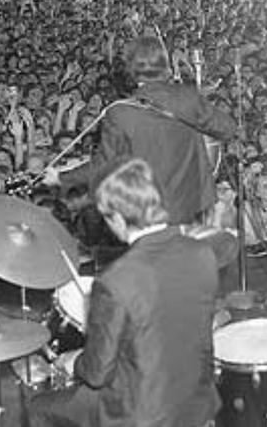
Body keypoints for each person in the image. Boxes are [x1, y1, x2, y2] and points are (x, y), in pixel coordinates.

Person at [31, 158, 221, 427]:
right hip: (198, 397)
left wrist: (73, 361)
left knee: (39, 407)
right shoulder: (201, 253)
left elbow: (97, 373)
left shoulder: (115, 279)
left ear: (118, 217)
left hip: (142, 413)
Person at [47, 36, 235, 225]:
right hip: (192, 208)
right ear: (165, 65)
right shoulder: (188, 97)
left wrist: (61, 178)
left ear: (131, 69)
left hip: (148, 211)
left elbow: (103, 166)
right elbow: (227, 129)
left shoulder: (120, 111)